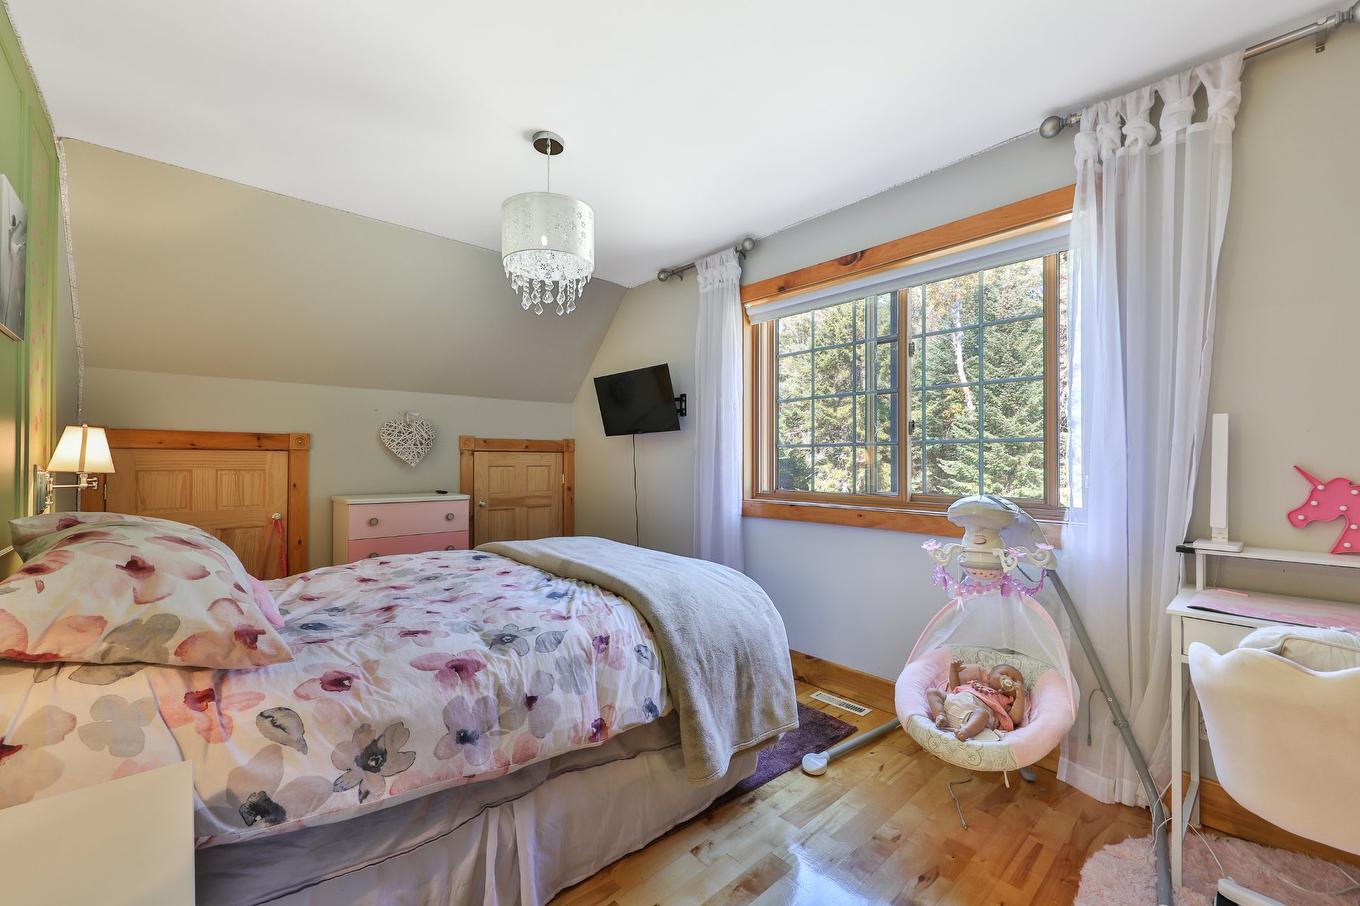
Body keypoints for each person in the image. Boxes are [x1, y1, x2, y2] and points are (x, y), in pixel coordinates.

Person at [925, 658, 1027, 741]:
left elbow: (1015, 719)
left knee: (982, 713)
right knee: (932, 692)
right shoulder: (975, 684)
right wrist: (954, 671)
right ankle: (940, 716)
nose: (1008, 680)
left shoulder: (1005, 700)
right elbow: (955, 688)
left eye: (1015, 681)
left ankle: (965, 732)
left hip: (972, 719)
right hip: (953, 704)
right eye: (1004, 674)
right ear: (988, 676)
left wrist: (1020, 696)